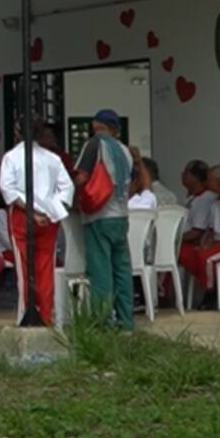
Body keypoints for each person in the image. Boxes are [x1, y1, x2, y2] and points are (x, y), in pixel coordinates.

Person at [0, 119, 74, 324]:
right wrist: (51, 208)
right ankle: (46, 315)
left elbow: (8, 190)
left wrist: (32, 211)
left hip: (22, 215)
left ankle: (27, 314)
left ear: (17, 133)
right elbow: (67, 188)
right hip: (48, 218)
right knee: (45, 267)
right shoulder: (52, 159)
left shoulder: (11, 158)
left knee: (24, 268)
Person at [74, 109, 135, 330]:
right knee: (122, 270)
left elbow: (81, 176)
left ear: (95, 124)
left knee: (101, 271)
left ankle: (103, 322)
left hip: (99, 215)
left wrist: (71, 199)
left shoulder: (94, 144)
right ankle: (127, 321)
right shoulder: (125, 151)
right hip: (121, 216)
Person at [179, 165, 220, 309]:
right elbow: (210, 231)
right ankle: (216, 284)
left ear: (219, 181)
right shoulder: (216, 202)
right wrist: (206, 243)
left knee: (207, 258)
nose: (206, 182)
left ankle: (211, 293)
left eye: (209, 179)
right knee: (193, 254)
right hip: (219, 243)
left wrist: (214, 245)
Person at [180, 160, 217, 245]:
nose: (182, 175)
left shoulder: (205, 198)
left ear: (195, 177)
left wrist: (174, 240)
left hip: (194, 245)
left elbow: (196, 233)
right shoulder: (193, 197)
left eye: (186, 173)